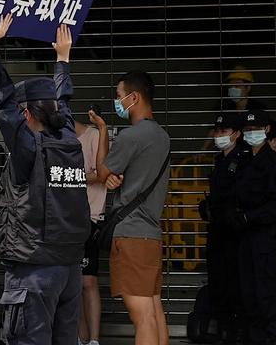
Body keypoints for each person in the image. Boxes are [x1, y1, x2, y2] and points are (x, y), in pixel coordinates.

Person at [0, 16, 90, 345]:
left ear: (27, 113)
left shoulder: (29, 147)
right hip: (70, 268)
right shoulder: (70, 140)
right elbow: (66, 102)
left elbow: (3, 102)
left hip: (34, 270)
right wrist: (63, 59)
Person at [93, 70, 170, 345]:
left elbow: (102, 172)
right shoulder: (162, 136)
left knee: (142, 318)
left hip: (131, 235)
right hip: (151, 234)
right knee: (154, 310)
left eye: (119, 96)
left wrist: (102, 130)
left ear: (133, 97)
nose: (117, 101)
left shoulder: (131, 137)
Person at [227, 110, 276, 345]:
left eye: (256, 129)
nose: (252, 133)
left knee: (270, 296)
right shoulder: (241, 160)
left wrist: (249, 217)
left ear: (266, 130)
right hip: (245, 240)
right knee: (249, 296)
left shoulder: (274, 163)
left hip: (267, 240)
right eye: (248, 130)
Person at [199, 112, 247, 345]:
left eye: (223, 132)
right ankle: (222, 328)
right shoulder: (220, 160)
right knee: (218, 282)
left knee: (234, 283)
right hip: (217, 232)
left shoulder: (243, 160)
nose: (219, 136)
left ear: (236, 134)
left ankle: (235, 331)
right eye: (217, 132)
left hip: (234, 234)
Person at [76, 100, 107, 345]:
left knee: (88, 281)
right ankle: (81, 337)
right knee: (72, 283)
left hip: (89, 217)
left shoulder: (94, 135)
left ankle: (94, 340)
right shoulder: (57, 142)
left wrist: (72, 176)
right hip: (64, 221)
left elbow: (101, 174)